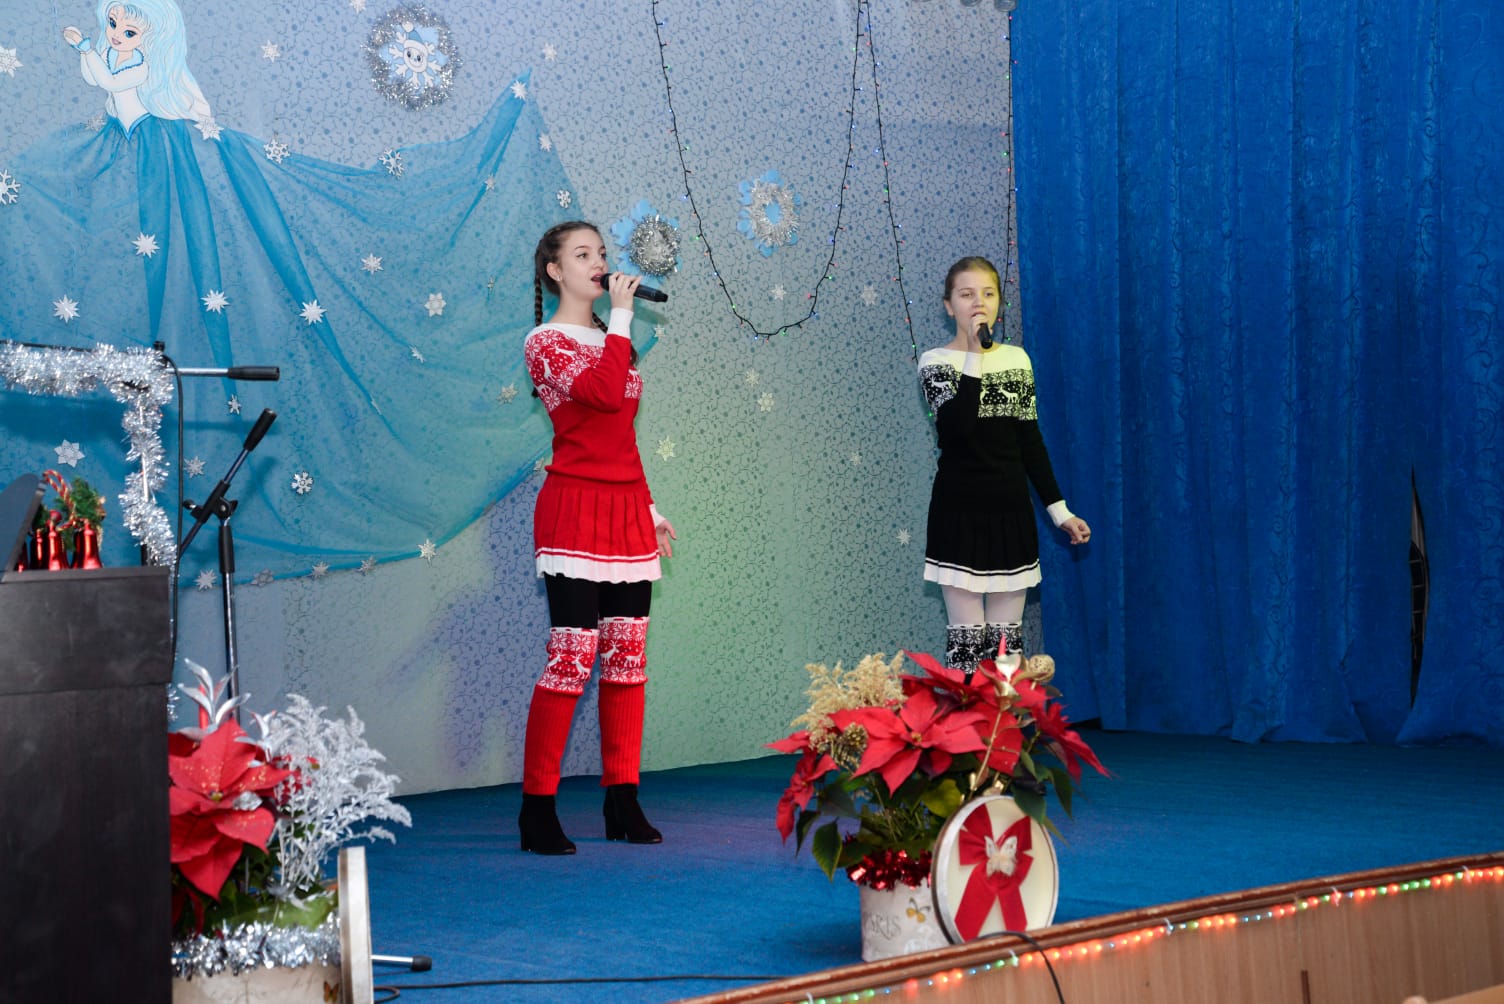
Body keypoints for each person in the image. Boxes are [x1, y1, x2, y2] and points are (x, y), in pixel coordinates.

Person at [518, 221, 677, 855]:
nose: (599, 263)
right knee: (572, 656)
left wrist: (650, 508)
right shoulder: (545, 342)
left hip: (624, 509)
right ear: (555, 271)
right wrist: (621, 317)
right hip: (574, 510)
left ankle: (622, 799)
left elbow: (621, 436)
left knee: (627, 658)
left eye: (602, 253)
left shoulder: (614, 339)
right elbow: (605, 397)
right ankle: (537, 809)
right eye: (582, 254)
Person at [917, 256, 1090, 676]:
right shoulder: (934, 362)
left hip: (1011, 516)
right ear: (948, 306)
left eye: (988, 293)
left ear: (999, 303)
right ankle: (966, 721)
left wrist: (1061, 512)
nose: (979, 302)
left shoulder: (1016, 360)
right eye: (967, 294)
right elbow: (958, 429)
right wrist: (975, 356)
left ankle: (1003, 721)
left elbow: (1029, 443)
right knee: (966, 648)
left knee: (1006, 651)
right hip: (958, 517)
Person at [62, 0, 213, 135]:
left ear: (150, 36)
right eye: (113, 23)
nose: (116, 34)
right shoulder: (108, 53)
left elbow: (110, 83)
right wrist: (82, 51)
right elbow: (93, 79)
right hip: (120, 125)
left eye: (129, 33)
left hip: (143, 127)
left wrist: (87, 50)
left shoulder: (141, 67)